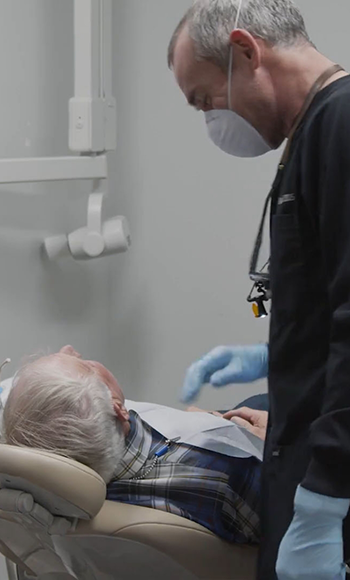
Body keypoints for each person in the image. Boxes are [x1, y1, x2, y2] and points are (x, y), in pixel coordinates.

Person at [168, 1, 350, 578]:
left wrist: (323, 505)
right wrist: (277, 359)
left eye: (204, 100)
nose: (211, 120)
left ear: (246, 52)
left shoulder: (342, 124)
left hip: (333, 493)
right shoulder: (312, 130)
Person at [3, 346, 265, 544]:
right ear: (119, 411)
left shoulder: (70, 483)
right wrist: (268, 439)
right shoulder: (225, 472)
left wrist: (194, 423)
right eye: (86, 366)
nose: (73, 350)